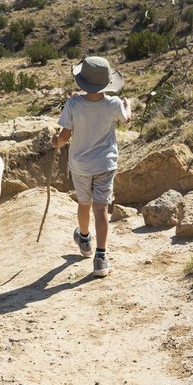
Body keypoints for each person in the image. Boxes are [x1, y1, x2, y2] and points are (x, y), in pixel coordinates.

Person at [51, 55, 132, 278]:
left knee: (84, 203)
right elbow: (126, 120)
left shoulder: (74, 104)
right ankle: (101, 257)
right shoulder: (113, 104)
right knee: (101, 208)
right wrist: (129, 105)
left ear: (83, 82)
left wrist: (55, 141)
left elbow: (64, 137)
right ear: (106, 82)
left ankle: (84, 239)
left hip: (80, 165)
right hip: (105, 164)